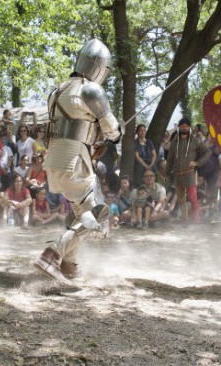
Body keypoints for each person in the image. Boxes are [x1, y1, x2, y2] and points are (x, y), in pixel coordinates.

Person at [34, 39, 122, 281]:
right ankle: (53, 253)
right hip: (75, 162)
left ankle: (69, 266)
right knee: (99, 220)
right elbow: (112, 130)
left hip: (54, 162)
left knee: (84, 216)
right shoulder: (90, 89)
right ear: (101, 67)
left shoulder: (57, 90)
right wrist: (117, 133)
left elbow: (74, 124)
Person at [165, 117, 211, 223]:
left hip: (189, 174)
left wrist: (197, 163)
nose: (184, 128)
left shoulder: (195, 141)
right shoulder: (174, 143)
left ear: (189, 128)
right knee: (181, 199)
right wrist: (167, 173)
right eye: (182, 126)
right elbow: (170, 159)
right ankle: (185, 220)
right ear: (179, 127)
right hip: (177, 174)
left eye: (186, 126)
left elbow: (208, 152)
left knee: (193, 198)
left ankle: (195, 221)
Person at [133, 124, 157, 188]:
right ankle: (140, 188)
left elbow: (154, 154)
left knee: (155, 169)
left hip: (150, 162)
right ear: (137, 132)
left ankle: (155, 187)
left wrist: (151, 164)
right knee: (139, 170)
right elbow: (137, 156)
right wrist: (145, 166)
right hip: (140, 163)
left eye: (144, 130)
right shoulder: (135, 142)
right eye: (140, 130)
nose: (143, 132)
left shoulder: (149, 142)